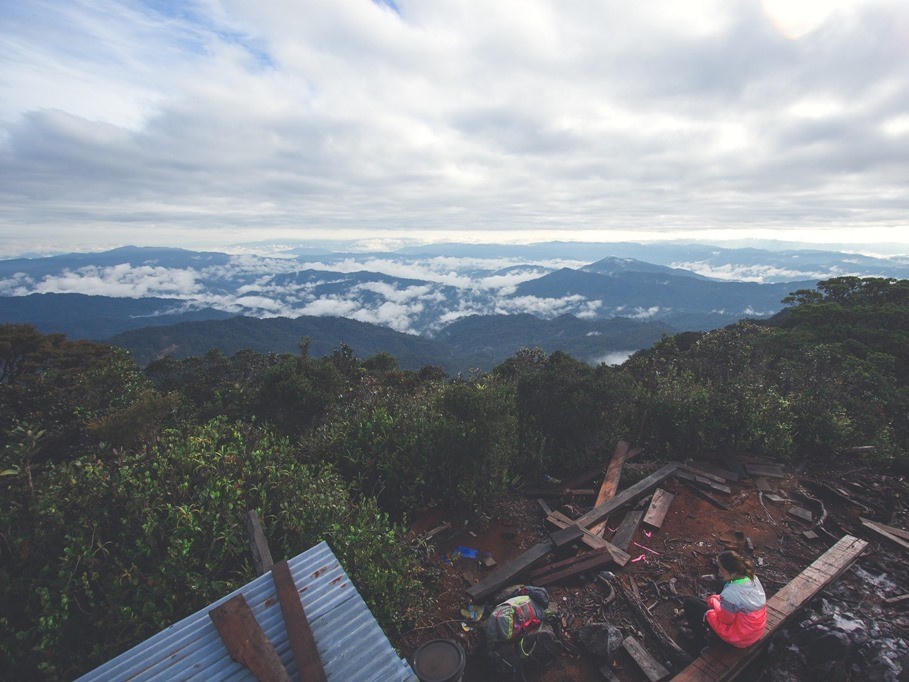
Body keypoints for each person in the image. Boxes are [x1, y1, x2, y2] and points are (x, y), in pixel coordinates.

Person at [680, 550, 767, 651]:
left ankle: (700, 641)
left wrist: (714, 601)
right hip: (755, 629)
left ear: (733, 572)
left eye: (722, 570)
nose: (719, 572)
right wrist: (720, 600)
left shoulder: (730, 594)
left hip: (741, 637)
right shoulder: (752, 577)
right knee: (721, 583)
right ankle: (710, 631)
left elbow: (725, 620)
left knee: (690, 604)